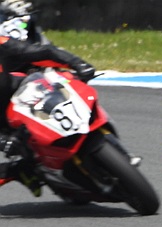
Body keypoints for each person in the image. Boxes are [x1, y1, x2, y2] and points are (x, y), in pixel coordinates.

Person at [0, 0, 94, 196]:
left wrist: (77, 63)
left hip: (18, 88)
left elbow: (37, 51)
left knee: (65, 80)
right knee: (21, 154)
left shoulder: (3, 40)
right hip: (4, 125)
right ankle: (20, 170)